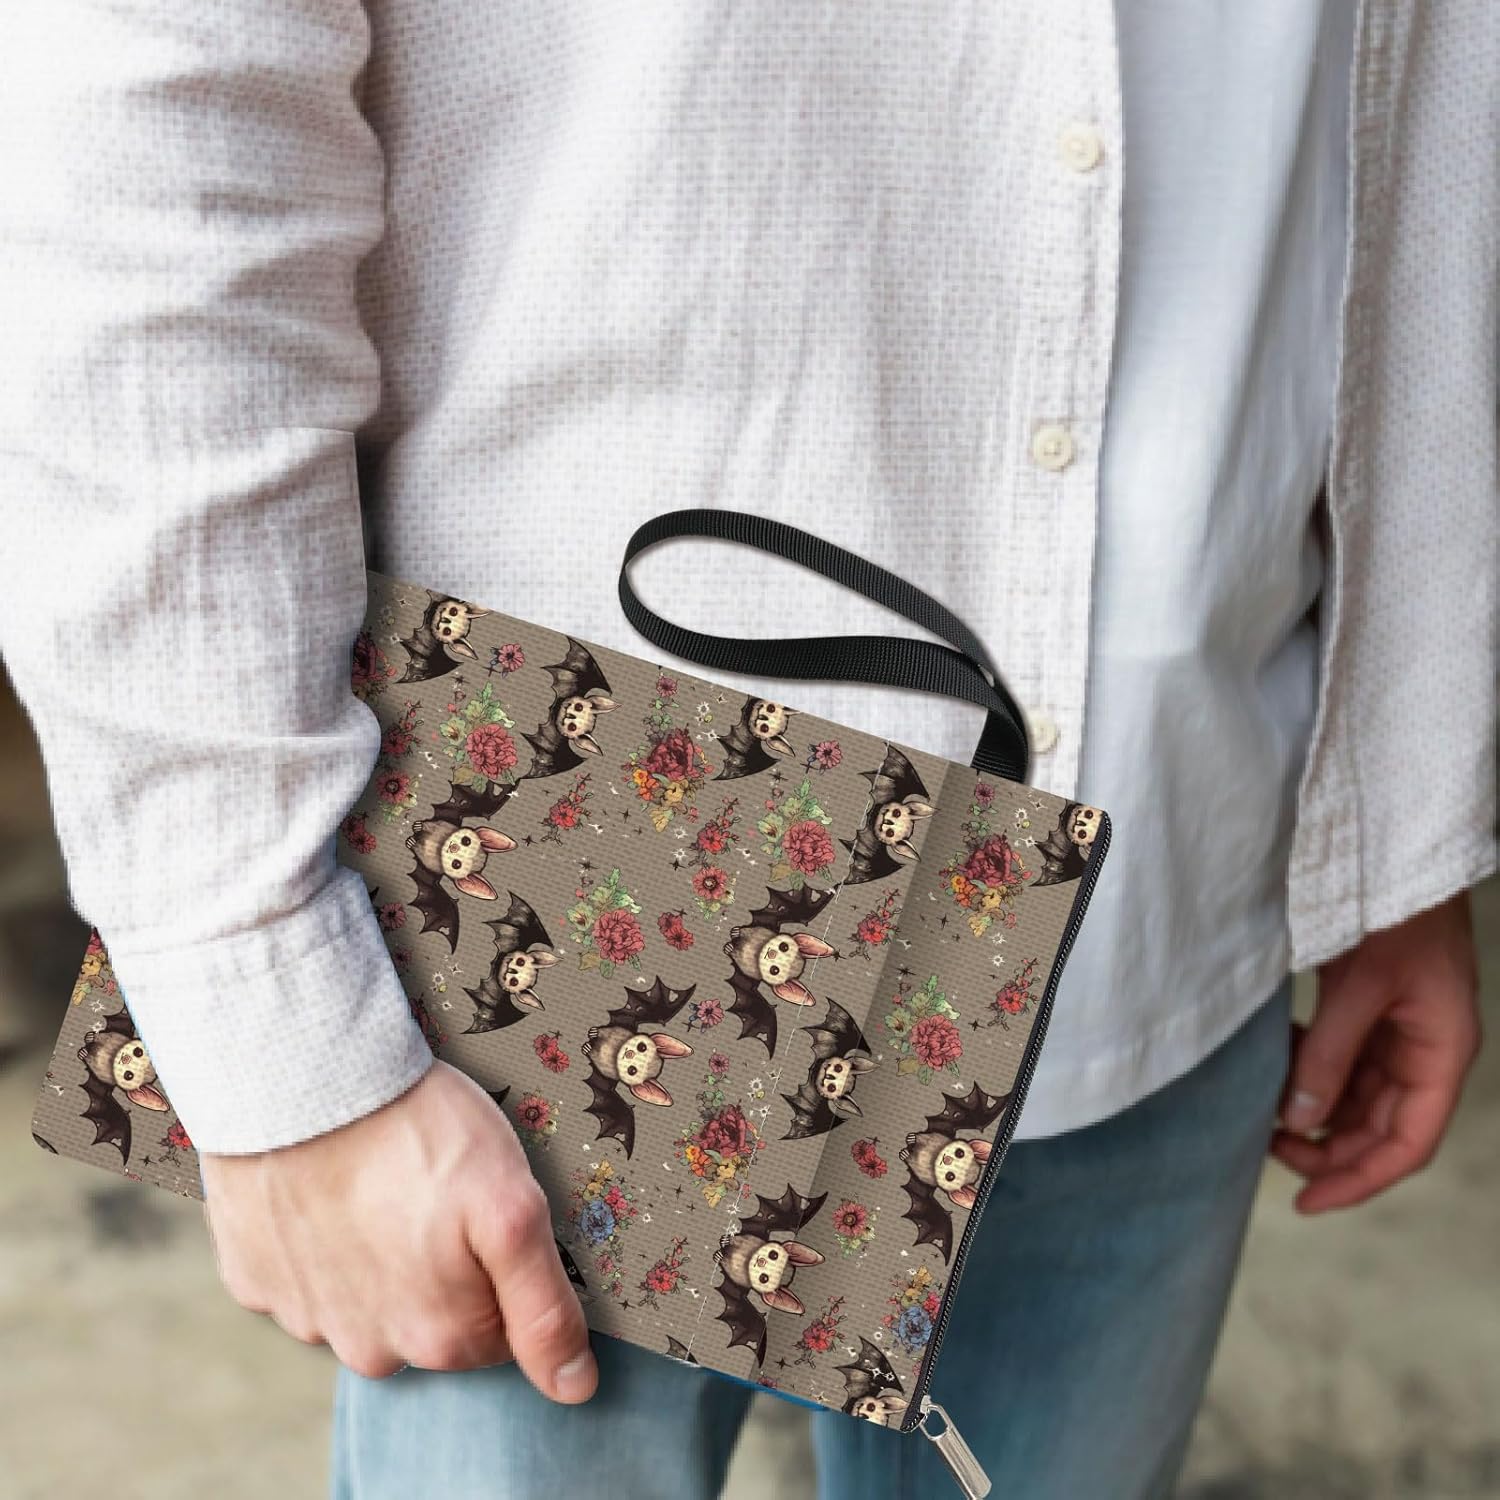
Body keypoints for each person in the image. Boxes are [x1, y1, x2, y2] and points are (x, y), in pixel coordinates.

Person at [0, 2, 1493, 1497]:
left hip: (1179, 826)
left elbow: (1426, 109)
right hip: (587, 861)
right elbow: (153, 158)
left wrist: (1393, 824)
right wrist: (263, 1010)